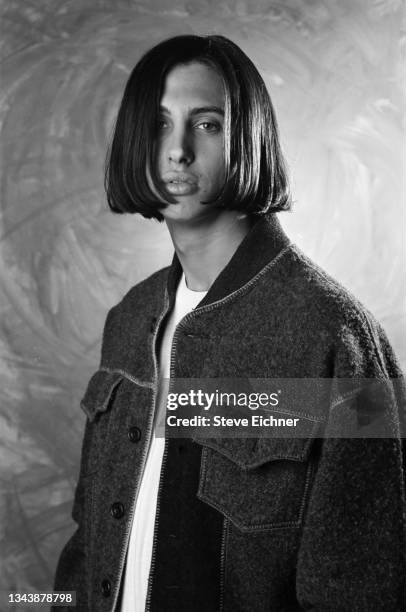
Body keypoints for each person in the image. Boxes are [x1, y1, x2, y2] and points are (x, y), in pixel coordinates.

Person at [53, 35, 406, 611]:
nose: (178, 151)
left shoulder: (336, 338)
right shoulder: (129, 320)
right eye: (159, 124)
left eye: (208, 124)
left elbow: (363, 587)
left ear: (251, 137)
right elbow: (88, 542)